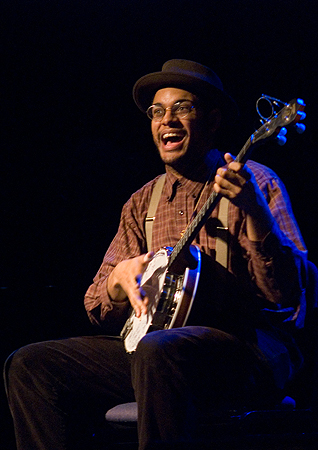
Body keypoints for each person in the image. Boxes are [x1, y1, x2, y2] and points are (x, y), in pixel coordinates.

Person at [4, 60, 308, 450]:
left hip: (245, 351)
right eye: (157, 112)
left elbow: (290, 298)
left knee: (157, 351)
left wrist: (255, 214)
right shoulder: (141, 202)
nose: (168, 120)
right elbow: (95, 303)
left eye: (183, 108)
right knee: (30, 365)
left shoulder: (256, 183)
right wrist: (117, 283)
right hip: (157, 353)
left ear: (213, 121)